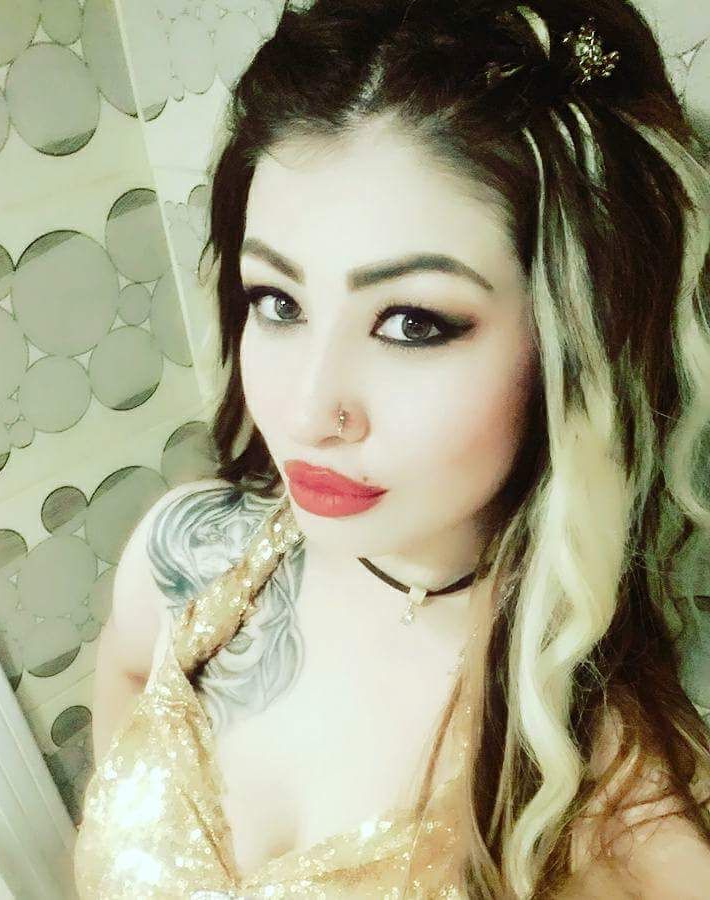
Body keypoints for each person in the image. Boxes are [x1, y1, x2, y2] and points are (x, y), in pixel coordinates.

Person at [73, 0, 710, 897]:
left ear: (575, 344)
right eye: (278, 303)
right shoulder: (189, 553)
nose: (307, 411)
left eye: (412, 322)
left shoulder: (614, 785)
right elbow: (126, 668)